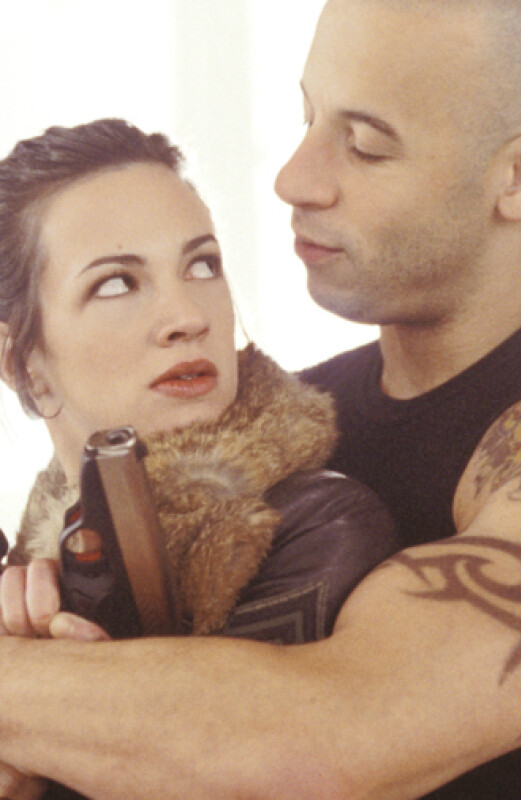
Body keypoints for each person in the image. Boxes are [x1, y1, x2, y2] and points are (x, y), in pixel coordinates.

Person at [0, 0, 521, 797]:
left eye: (364, 145)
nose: (293, 178)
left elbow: (332, 742)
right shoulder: (259, 431)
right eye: (307, 116)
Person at [0, 118, 399, 799]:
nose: (189, 314)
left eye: (202, 264)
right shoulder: (34, 562)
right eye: (117, 283)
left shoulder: (317, 525)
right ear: (23, 364)